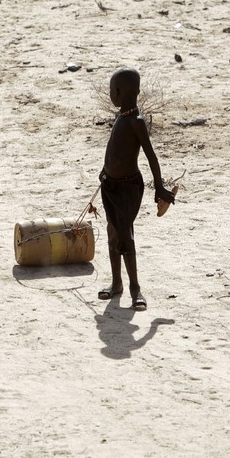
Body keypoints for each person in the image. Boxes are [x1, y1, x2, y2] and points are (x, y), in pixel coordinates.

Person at [94, 68, 174, 312]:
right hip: (110, 185)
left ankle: (135, 289)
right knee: (112, 233)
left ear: (117, 92)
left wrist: (159, 187)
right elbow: (116, 152)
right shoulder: (122, 116)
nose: (110, 95)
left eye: (110, 91)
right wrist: (105, 172)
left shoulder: (136, 122)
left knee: (125, 235)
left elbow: (151, 156)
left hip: (129, 187)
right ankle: (116, 283)